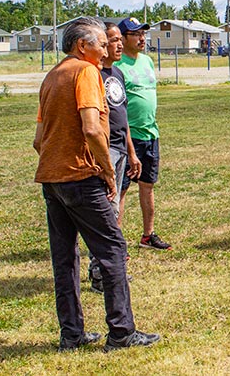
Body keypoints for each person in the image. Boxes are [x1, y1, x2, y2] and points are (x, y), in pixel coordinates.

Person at [33, 16, 160, 352]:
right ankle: (121, 332)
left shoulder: (51, 76)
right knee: (113, 249)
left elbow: (38, 140)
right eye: (101, 44)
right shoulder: (86, 72)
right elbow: (91, 128)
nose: (106, 51)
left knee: (64, 259)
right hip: (82, 178)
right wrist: (105, 170)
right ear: (82, 46)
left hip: (52, 178)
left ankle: (71, 335)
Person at [88, 22, 142, 293]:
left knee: (115, 210)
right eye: (112, 40)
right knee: (104, 214)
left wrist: (131, 152)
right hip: (105, 150)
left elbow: (123, 116)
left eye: (120, 39)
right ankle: (101, 274)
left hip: (121, 149)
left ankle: (110, 270)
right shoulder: (93, 74)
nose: (119, 44)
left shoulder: (117, 73)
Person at [114, 17, 172, 251]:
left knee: (147, 185)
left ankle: (148, 236)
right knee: (121, 189)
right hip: (127, 137)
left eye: (143, 34)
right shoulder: (117, 66)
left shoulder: (147, 61)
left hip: (150, 134)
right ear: (122, 38)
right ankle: (116, 243)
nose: (142, 38)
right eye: (136, 34)